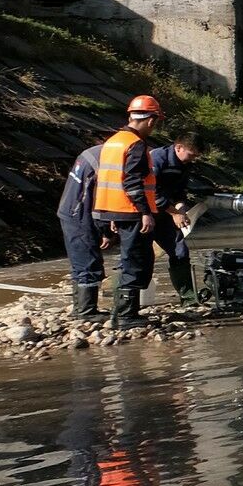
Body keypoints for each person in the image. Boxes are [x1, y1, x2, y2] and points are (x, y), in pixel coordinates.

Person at [92, 95, 163, 330]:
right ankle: (126, 315)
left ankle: (120, 313)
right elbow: (132, 181)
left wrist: (111, 216)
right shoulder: (136, 144)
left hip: (113, 209)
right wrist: (145, 212)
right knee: (137, 260)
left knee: (128, 259)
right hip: (131, 211)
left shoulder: (113, 141)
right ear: (151, 120)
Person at [150, 131, 205, 306]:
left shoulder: (185, 164)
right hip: (143, 213)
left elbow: (180, 190)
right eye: (191, 154)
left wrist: (181, 206)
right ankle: (124, 303)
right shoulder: (157, 159)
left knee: (180, 250)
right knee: (138, 255)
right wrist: (174, 213)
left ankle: (189, 298)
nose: (193, 159)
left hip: (165, 212)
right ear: (179, 147)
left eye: (196, 156)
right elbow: (151, 191)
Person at [57, 143, 110, 318]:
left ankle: (79, 308)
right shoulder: (106, 162)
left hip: (69, 210)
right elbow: (98, 200)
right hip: (80, 214)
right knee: (89, 262)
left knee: (79, 262)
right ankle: (87, 311)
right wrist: (105, 230)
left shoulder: (92, 153)